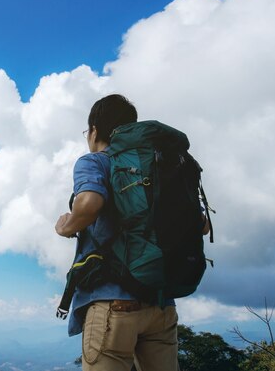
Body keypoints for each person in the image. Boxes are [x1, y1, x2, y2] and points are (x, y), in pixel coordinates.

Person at [55, 94, 180, 371]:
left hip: (114, 304)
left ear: (94, 130)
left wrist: (65, 226)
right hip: (162, 306)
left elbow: (89, 204)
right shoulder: (161, 166)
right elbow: (202, 224)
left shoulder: (95, 162)